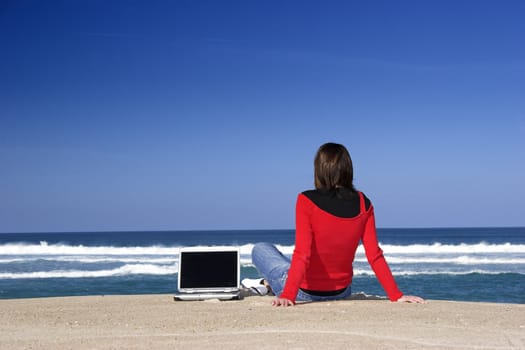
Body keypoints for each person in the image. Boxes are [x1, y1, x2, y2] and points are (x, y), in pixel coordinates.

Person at [250, 142, 425, 306]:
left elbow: (303, 253)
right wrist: (396, 295)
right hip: (342, 292)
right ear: (348, 169)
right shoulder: (364, 203)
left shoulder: (306, 200)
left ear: (319, 170)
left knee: (261, 249)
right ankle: (266, 284)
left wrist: (288, 295)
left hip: (304, 293)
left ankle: (267, 284)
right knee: (288, 263)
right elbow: (374, 255)